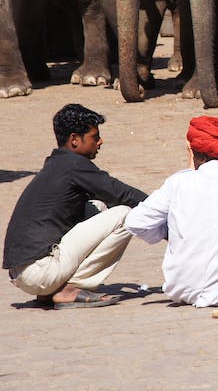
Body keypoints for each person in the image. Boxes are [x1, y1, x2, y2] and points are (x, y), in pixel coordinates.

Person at [3, 104, 146, 308]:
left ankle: (53, 289)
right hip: (40, 272)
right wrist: (164, 212)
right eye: (95, 137)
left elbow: (110, 197)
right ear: (74, 140)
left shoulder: (57, 164)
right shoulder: (74, 166)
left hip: (25, 274)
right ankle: (72, 287)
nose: (100, 142)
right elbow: (123, 194)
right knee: (126, 215)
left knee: (97, 206)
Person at [123, 117, 218, 307]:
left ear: (195, 153)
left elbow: (135, 222)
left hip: (181, 288)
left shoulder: (178, 182)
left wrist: (168, 233)